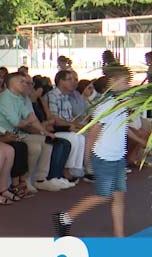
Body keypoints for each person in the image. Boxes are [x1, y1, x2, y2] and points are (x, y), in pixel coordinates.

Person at [54, 65, 132, 237]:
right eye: (125, 82)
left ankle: (120, 237)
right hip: (104, 157)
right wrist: (88, 158)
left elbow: (122, 129)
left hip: (117, 157)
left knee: (118, 197)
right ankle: (65, 217)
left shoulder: (122, 104)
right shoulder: (107, 105)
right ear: (112, 82)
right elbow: (93, 132)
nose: (128, 85)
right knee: (104, 196)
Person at [0, 73, 60, 193]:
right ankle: (25, 180)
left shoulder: (18, 98)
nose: (26, 84)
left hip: (17, 134)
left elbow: (31, 117)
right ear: (12, 84)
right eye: (22, 82)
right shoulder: (4, 98)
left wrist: (44, 132)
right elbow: (17, 122)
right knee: (35, 147)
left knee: (47, 141)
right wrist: (29, 121)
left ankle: (40, 179)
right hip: (5, 136)